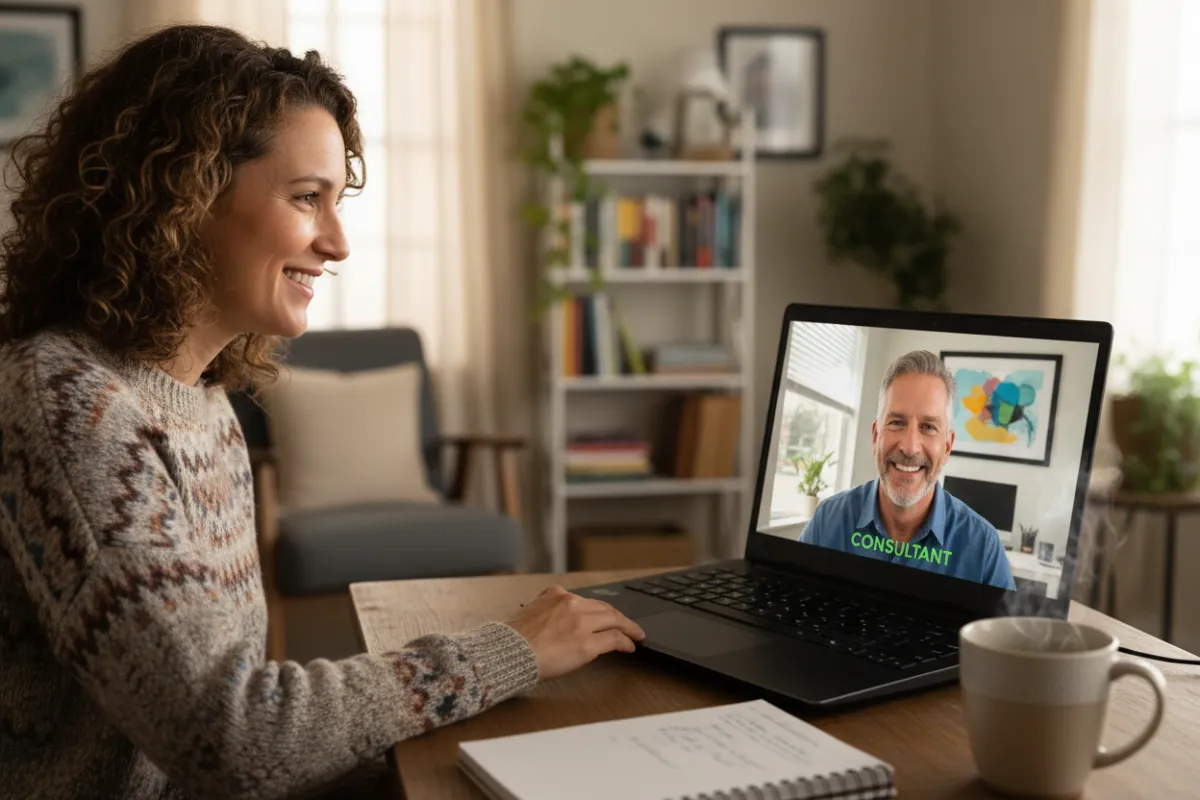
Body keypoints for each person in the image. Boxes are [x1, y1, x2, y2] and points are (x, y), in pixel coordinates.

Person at [0, 24, 645, 800]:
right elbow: (229, 733)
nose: (337, 243)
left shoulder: (204, 402)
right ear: (187, 190)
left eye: (337, 202)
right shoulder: (64, 401)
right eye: (308, 198)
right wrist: (507, 652)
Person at [799, 351, 1015, 590]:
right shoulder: (826, 522)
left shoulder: (984, 549)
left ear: (947, 447)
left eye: (928, 426)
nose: (910, 447)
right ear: (875, 436)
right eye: (897, 422)